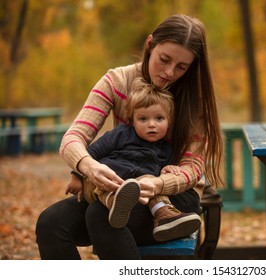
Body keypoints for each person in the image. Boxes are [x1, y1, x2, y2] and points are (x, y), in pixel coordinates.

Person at [36, 13, 223, 260]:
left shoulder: (192, 100)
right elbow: (73, 137)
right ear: (150, 45)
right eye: (164, 59)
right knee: (50, 223)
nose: (169, 72)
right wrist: (89, 167)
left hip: (173, 199)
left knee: (101, 217)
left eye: (181, 67)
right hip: (122, 189)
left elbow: (193, 166)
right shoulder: (116, 81)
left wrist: (158, 183)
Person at [81, 78, 201, 241]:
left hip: (134, 187)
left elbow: (162, 175)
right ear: (132, 120)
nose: (151, 124)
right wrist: (76, 175)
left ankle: (164, 215)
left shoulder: (166, 149)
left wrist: (168, 170)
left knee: (150, 181)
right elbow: (91, 152)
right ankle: (116, 204)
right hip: (104, 179)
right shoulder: (121, 134)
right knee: (102, 181)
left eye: (159, 118)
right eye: (143, 119)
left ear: (169, 121)